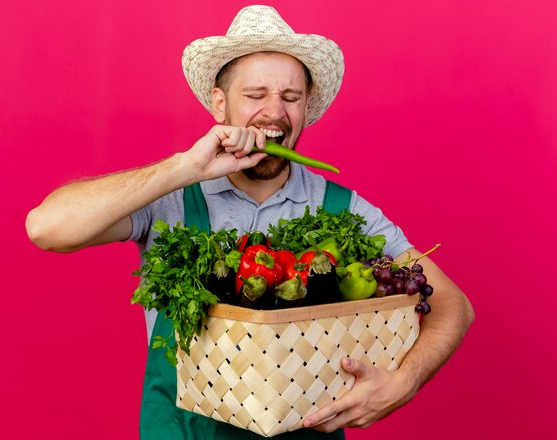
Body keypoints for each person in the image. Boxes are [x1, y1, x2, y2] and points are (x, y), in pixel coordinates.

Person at [26, 5, 474, 439]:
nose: (274, 112)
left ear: (306, 106)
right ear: (220, 104)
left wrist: (403, 383)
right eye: (255, 95)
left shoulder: (346, 212)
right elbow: (46, 228)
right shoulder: (169, 197)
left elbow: (454, 305)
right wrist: (186, 168)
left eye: (290, 97)